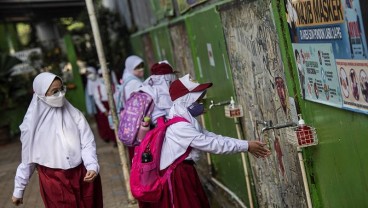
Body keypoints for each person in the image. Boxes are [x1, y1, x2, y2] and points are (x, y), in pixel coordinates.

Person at [141, 74, 271, 208]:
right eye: (197, 100)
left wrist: (246, 144)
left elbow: (212, 137)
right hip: (177, 177)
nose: (201, 103)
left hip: (183, 172)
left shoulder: (183, 119)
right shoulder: (180, 127)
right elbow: (212, 144)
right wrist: (246, 146)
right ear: (186, 100)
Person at [11, 72, 103, 207]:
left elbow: (87, 142)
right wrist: (19, 190)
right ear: (41, 94)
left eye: (61, 89)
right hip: (54, 179)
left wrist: (92, 165)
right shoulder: (31, 126)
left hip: (82, 174)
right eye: (54, 92)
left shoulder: (74, 114)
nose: (60, 94)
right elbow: (28, 159)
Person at [93, 68, 116, 144]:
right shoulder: (98, 87)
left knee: (115, 123)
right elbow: (97, 99)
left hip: (112, 105)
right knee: (106, 124)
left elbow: (116, 96)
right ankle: (108, 137)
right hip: (104, 106)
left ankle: (115, 139)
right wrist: (104, 110)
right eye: (101, 75)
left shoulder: (113, 85)